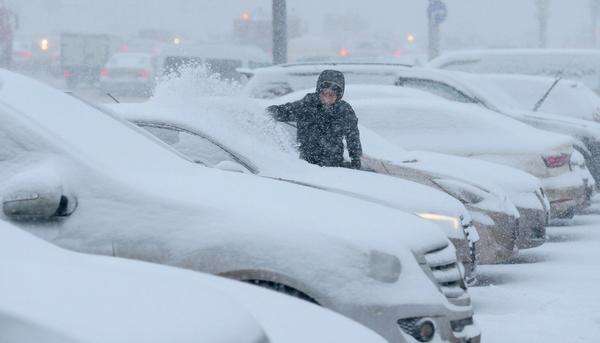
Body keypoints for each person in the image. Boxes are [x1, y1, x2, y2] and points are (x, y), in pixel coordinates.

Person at [267, 70, 363, 169]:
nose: (327, 98)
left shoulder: (344, 111)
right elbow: (287, 111)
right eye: (324, 94)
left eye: (331, 95)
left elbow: (353, 136)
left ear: (338, 96)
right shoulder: (308, 104)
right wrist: (268, 112)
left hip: (333, 165)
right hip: (306, 164)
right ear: (318, 91)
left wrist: (355, 158)